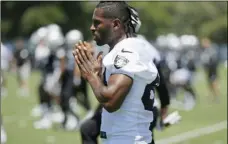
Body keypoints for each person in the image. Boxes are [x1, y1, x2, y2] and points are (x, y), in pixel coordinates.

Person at [73, 1, 159, 144]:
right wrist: (99, 77)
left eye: (97, 23)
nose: (92, 28)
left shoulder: (125, 53)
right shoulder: (127, 50)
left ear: (116, 24)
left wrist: (91, 76)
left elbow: (111, 101)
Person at [201, 37, 220, 102]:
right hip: (208, 69)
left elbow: (214, 60)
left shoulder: (211, 50)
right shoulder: (205, 50)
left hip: (213, 69)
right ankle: (211, 96)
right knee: (209, 83)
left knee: (214, 83)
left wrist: (209, 65)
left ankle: (217, 97)